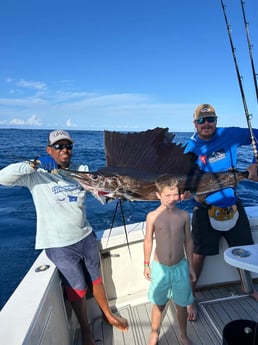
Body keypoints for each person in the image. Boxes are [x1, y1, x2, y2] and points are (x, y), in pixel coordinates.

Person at [0, 129, 128, 345]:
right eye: (58, 146)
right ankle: (86, 331)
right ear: (49, 150)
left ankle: (107, 314)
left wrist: (115, 195)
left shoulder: (82, 171)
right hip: (58, 244)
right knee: (77, 287)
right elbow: (3, 178)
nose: (64, 150)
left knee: (97, 280)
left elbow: (100, 194)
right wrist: (33, 164)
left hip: (85, 236)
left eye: (68, 146)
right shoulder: (35, 175)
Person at [184, 104, 258, 321]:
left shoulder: (230, 134)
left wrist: (255, 163)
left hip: (233, 203)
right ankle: (191, 296)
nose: (207, 124)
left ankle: (249, 288)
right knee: (198, 256)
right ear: (195, 123)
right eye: (202, 120)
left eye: (211, 119)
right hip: (204, 209)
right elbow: (185, 179)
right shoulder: (189, 149)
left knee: (243, 249)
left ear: (216, 120)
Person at [143, 175, 196, 345]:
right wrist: (146, 264)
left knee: (181, 305)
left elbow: (188, 240)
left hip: (180, 267)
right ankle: (154, 333)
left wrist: (191, 266)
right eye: (167, 195)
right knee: (159, 304)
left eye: (175, 194)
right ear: (158, 195)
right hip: (160, 268)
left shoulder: (184, 215)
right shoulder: (152, 216)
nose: (172, 199)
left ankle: (183, 334)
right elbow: (148, 240)